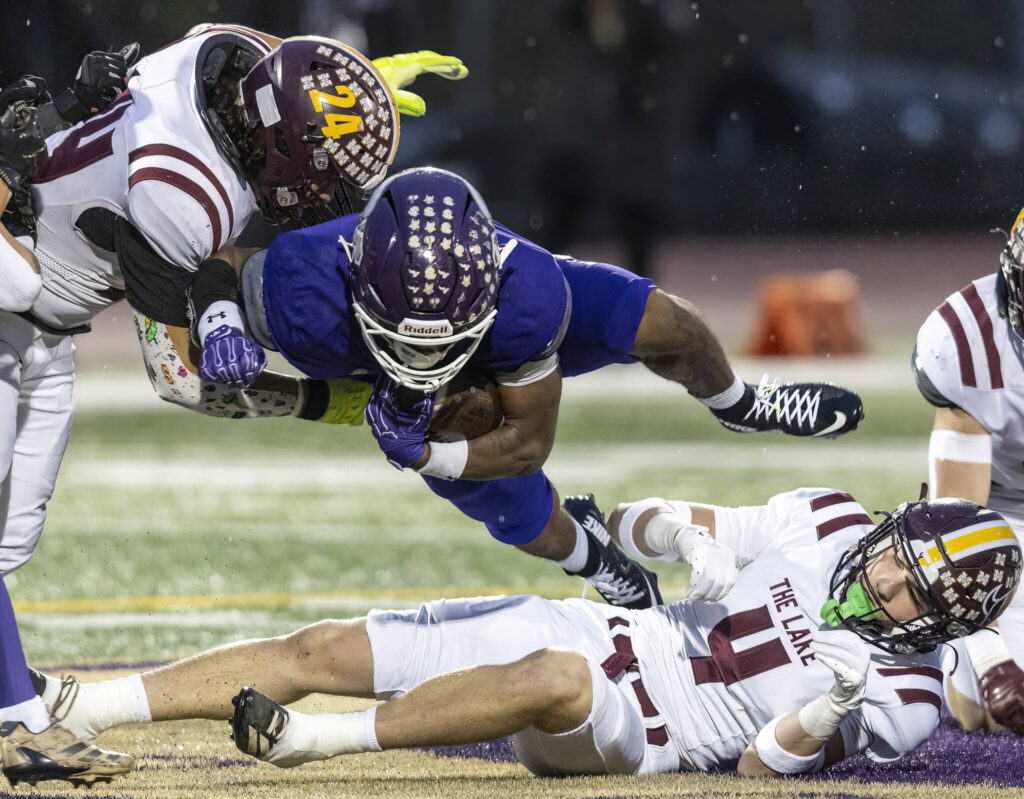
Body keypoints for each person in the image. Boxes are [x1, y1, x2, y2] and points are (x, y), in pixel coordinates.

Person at [0, 29, 464, 787]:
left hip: (47, 334)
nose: (327, 195)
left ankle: (8, 693)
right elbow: (179, 378)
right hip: (12, 300)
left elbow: (286, 65)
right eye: (322, 172)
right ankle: (16, 721)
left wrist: (351, 89)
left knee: (6, 545)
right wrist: (327, 404)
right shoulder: (180, 192)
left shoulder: (226, 54)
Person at [184, 166, 865, 610]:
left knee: (669, 323)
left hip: (501, 338)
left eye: (444, 339)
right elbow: (215, 260)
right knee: (518, 505)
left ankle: (741, 403)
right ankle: (594, 557)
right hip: (377, 368)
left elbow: (527, 443)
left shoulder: (526, 295)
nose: (431, 356)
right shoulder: (304, 292)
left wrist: (427, 457)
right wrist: (216, 318)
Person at [29, 489, 1020, 778]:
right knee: (325, 648)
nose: (880, 571)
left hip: (643, 731)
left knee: (558, 676)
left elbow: (760, 774)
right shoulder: (830, 521)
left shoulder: (903, 696)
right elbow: (631, 518)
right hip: (603, 625)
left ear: (941, 620)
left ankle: (320, 741)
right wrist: (676, 530)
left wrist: (826, 704)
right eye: (895, 548)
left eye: (905, 585)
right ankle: (78, 702)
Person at [912, 206, 1024, 735]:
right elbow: (961, 533)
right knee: (991, 711)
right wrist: (990, 662)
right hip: (1005, 515)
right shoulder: (966, 341)